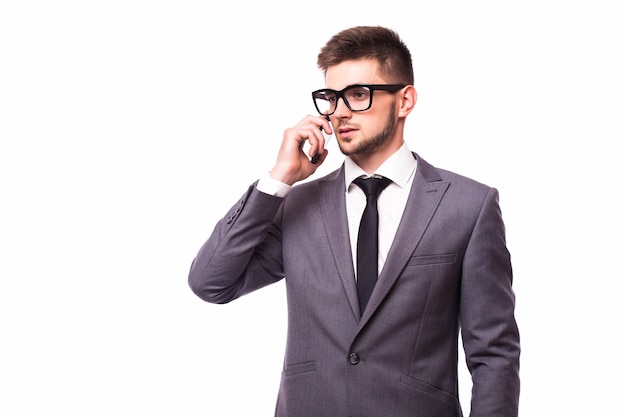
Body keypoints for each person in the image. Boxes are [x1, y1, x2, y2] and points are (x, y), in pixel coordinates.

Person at [188, 25, 520, 417]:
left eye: (358, 94)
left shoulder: (468, 206)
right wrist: (278, 179)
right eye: (331, 98)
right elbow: (211, 282)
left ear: (405, 100)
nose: (340, 111)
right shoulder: (297, 206)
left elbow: (494, 355)